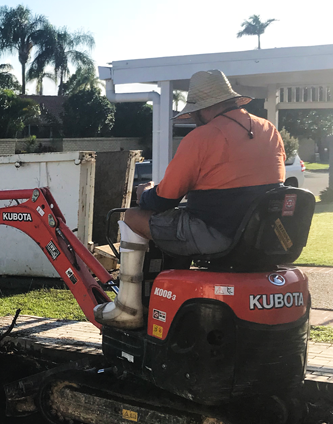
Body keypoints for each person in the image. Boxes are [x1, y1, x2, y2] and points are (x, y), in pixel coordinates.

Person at [95, 69, 286, 329]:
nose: (194, 118)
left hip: (217, 234)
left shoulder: (202, 137)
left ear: (203, 109)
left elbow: (165, 199)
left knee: (132, 217)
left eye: (194, 112)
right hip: (258, 237)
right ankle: (168, 291)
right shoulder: (268, 130)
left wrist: (144, 194)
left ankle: (128, 308)